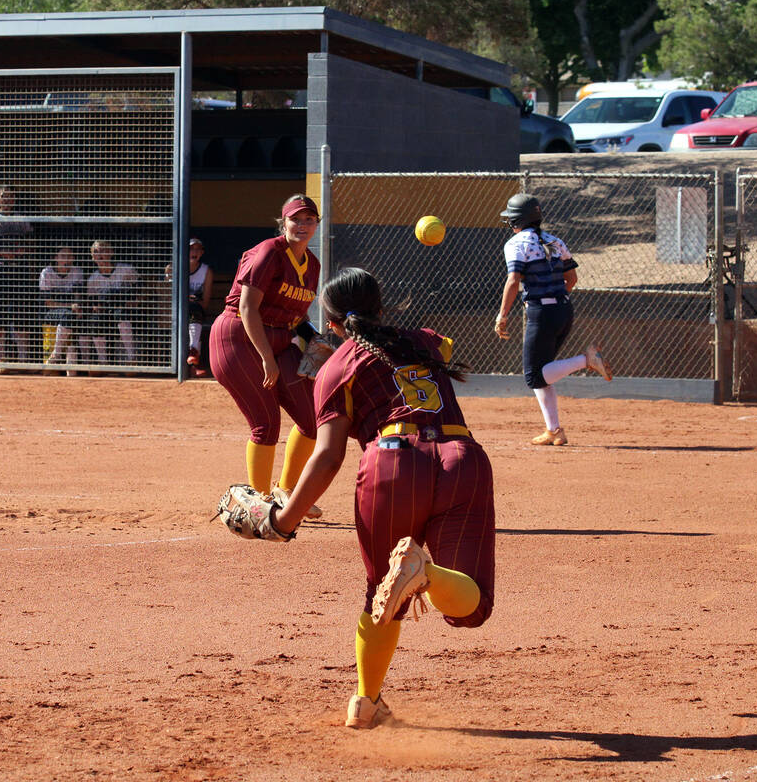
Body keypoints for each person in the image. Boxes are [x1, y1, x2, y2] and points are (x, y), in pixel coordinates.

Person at [257, 266, 496, 730]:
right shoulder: (423, 340)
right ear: (381, 307)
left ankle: (366, 701)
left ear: (329, 323)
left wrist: (285, 519)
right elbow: (440, 346)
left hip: (391, 461)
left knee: (381, 597)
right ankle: (426, 573)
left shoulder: (335, 367)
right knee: (472, 606)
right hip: (461, 456)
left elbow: (327, 458)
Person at [208, 194, 321, 499]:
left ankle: (286, 492)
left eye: (309, 219)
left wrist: (321, 355)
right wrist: (267, 358)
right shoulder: (269, 252)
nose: (303, 224)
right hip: (239, 338)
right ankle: (258, 502)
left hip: (280, 340)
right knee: (266, 424)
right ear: (283, 222)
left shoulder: (313, 265)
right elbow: (247, 308)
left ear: (316, 224)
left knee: (312, 419)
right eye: (296, 218)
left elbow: (298, 318)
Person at [493, 193, 612, 446]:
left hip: (541, 314)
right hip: (563, 311)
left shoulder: (515, 244)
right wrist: (556, 298)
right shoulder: (555, 241)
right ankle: (554, 430)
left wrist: (502, 315)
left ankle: (586, 360)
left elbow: (513, 281)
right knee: (542, 372)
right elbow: (572, 280)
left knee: (533, 376)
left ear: (516, 220)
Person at [0, 185, 34, 369]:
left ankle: (22, 361)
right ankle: (1, 360)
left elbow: (32, 245)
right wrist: (2, 254)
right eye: (4, 196)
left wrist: (22, 253)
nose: (7, 199)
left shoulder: (22, 218)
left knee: (20, 315)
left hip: (19, 272)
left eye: (11, 196)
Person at [84, 239, 138, 368]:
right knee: (96, 319)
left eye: (103, 250)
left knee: (120, 313)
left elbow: (142, 289)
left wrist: (135, 301)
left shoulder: (126, 270)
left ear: (111, 252)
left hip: (126, 309)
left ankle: (132, 357)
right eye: (96, 252)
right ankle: (103, 361)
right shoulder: (93, 279)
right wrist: (96, 307)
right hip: (106, 312)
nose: (100, 254)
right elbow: (92, 303)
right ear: (92, 257)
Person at [165, 237, 213, 377]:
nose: (195, 251)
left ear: (202, 253)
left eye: (198, 249)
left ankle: (193, 359)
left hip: (195, 311)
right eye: (191, 248)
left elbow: (205, 303)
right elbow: (167, 297)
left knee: (194, 311)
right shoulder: (172, 268)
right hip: (175, 311)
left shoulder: (206, 271)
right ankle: (192, 361)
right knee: (188, 310)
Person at [39, 246, 84, 375]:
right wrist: (70, 306)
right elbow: (48, 303)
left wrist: (77, 307)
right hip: (50, 312)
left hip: (70, 314)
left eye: (70, 256)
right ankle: (57, 355)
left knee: (71, 317)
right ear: (56, 258)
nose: (67, 260)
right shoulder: (46, 273)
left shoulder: (77, 272)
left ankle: (67, 362)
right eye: (63, 256)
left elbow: (78, 298)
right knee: (68, 315)